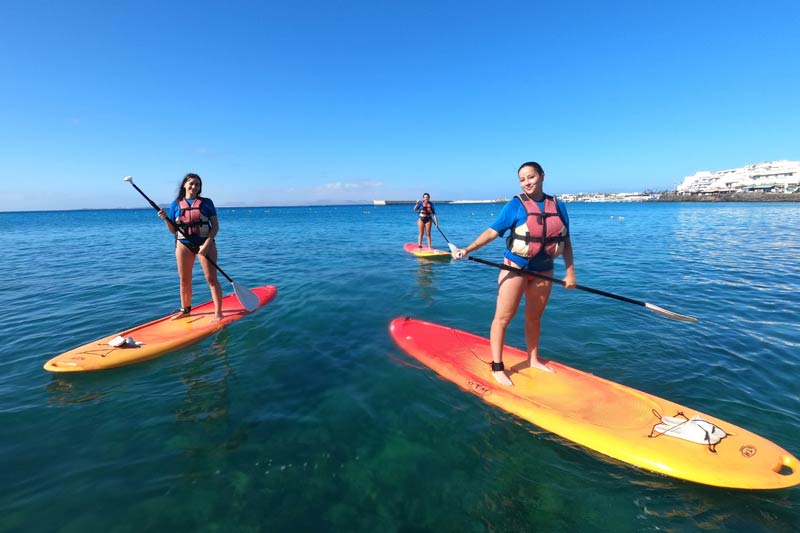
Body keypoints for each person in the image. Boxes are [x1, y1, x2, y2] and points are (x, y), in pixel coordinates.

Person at [454, 162, 576, 386]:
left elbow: (565, 241)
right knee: (502, 319)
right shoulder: (515, 205)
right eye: (522, 179)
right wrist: (468, 249)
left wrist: (570, 273)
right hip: (515, 268)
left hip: (544, 270)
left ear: (542, 176)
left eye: (531, 177)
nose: (527, 182)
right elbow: (493, 232)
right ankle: (497, 367)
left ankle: (533, 359)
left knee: (534, 318)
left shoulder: (558, 205)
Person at [157, 173, 224, 322]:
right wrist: (165, 219)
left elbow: (215, 226)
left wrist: (207, 244)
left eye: (197, 184)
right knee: (184, 280)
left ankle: (218, 313)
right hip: (183, 245)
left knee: (211, 278)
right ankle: (185, 310)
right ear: (184, 185)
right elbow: (173, 230)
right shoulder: (175, 204)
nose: (194, 187)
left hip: (205, 243)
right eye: (191, 183)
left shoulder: (207, 203)